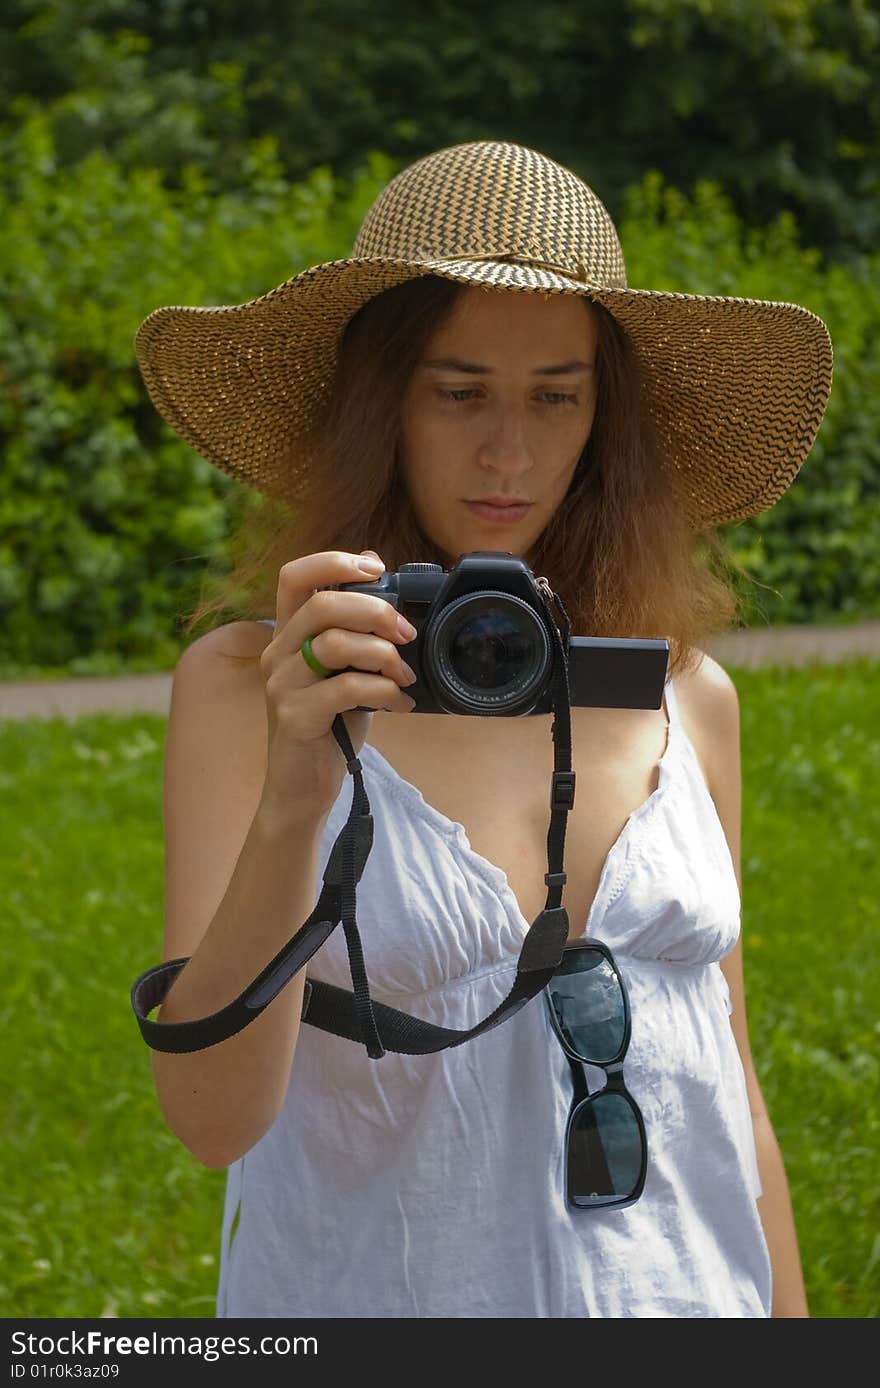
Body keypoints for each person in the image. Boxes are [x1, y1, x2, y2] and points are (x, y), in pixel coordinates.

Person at [134, 140, 832, 1318]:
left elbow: (729, 1081)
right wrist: (297, 795)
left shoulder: (684, 694)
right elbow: (211, 1121)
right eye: (460, 393)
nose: (509, 451)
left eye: (555, 396)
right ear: (383, 405)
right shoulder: (251, 688)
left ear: (603, 418)